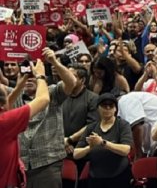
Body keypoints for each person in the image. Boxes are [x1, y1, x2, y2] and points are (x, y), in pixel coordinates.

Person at [14, 48, 76, 188]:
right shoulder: (13, 96)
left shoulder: (53, 92)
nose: (29, 78)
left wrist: (54, 61)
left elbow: (71, 82)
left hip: (48, 163)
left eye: (33, 76)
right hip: (19, 164)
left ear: (42, 77)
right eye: (26, 74)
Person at [0, 59, 50, 188]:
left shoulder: (4, 119)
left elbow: (6, 106)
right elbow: (43, 99)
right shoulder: (5, 122)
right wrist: (40, 76)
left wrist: (20, 85)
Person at [73, 93, 133, 188]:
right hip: (96, 178)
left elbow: (125, 150)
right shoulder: (91, 127)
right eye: (104, 106)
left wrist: (102, 143)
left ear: (115, 109)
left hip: (118, 176)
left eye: (111, 106)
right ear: (98, 108)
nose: (108, 108)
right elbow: (76, 154)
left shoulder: (123, 125)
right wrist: (90, 147)